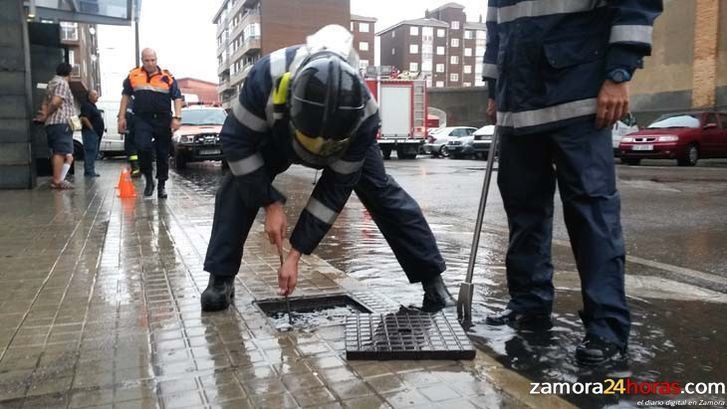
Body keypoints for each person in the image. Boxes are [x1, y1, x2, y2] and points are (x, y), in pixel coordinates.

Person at [200, 25, 453, 313]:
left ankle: (432, 281)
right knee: (237, 184)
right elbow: (236, 143)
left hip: (344, 143)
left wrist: (296, 254)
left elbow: (332, 193)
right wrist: (268, 201)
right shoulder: (265, 78)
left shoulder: (365, 116)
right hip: (276, 137)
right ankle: (221, 278)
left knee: (382, 193)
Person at [481, 1, 663, 366]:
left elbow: (634, 5)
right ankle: (529, 304)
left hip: (578, 97)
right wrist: (493, 87)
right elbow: (495, 29)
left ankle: (606, 330)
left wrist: (618, 74)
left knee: (592, 214)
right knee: (523, 211)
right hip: (517, 103)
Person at [117, 48, 183, 198]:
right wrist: (121, 118)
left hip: (163, 119)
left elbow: (177, 97)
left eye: (152, 60)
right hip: (142, 119)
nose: (150, 63)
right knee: (142, 147)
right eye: (147, 60)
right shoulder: (133, 75)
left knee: (162, 153)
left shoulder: (167, 77)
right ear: (142, 60)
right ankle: (148, 179)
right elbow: (125, 97)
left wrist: (177, 117)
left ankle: (161, 185)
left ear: (156, 59)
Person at [34, 62, 76, 189]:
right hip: (61, 122)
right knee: (61, 152)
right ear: (69, 73)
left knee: (59, 152)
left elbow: (45, 103)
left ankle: (58, 178)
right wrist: (47, 114)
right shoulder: (62, 83)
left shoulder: (51, 83)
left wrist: (44, 116)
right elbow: (56, 102)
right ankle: (58, 180)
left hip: (52, 124)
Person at [80, 90, 104, 177]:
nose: (97, 96)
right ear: (89, 96)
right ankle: (89, 172)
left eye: (97, 95)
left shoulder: (93, 106)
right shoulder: (87, 105)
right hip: (90, 133)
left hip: (95, 134)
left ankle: (90, 170)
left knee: (94, 152)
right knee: (90, 152)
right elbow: (84, 118)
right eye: (95, 95)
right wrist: (92, 129)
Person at [124, 97, 141, 177]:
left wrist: (127, 128)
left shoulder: (131, 100)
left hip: (132, 130)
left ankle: (136, 169)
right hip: (139, 130)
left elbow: (128, 115)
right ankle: (137, 169)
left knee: (131, 150)